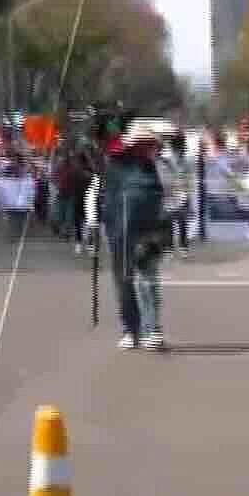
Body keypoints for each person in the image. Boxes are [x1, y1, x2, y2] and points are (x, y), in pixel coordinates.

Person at [98, 122, 169, 352]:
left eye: (151, 144)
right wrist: (100, 220)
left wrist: (163, 229)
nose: (149, 149)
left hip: (149, 233)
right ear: (133, 145)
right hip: (119, 233)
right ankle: (131, 330)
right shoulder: (114, 167)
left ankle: (153, 329)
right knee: (124, 282)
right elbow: (106, 198)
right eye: (144, 144)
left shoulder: (158, 168)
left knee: (148, 280)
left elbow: (170, 200)